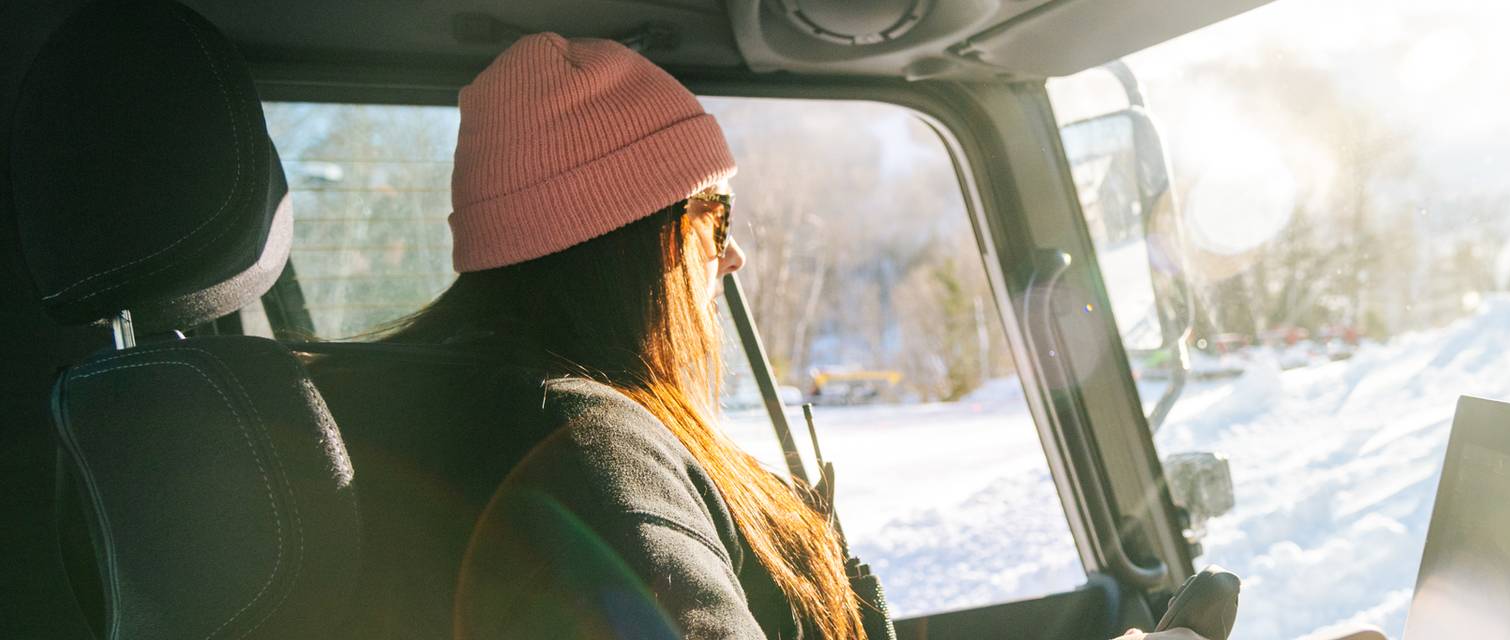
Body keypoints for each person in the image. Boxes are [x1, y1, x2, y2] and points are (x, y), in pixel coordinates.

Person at [308, 32, 1214, 639]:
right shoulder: (584, 457)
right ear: (635, 241)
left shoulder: (396, 408)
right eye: (712, 212)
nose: (731, 252)